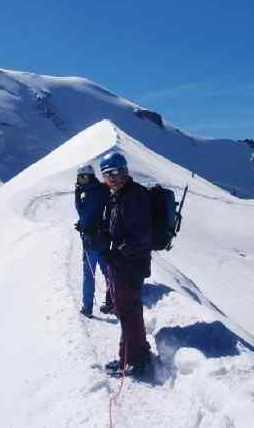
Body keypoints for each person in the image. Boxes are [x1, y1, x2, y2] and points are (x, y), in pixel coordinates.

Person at [100, 152, 153, 375]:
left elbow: (140, 236)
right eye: (106, 174)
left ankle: (130, 361)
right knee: (129, 310)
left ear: (125, 171)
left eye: (115, 172)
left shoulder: (133, 196)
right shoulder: (120, 195)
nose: (111, 178)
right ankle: (138, 351)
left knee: (127, 311)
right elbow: (121, 229)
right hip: (126, 263)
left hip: (130, 265)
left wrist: (117, 253)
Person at [74, 164, 111, 318]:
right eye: (80, 177)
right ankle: (88, 306)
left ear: (91, 176)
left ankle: (111, 302)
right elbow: (86, 213)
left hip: (99, 240)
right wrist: (82, 225)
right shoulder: (82, 192)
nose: (82, 179)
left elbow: (108, 211)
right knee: (93, 274)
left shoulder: (100, 190)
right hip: (89, 241)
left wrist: (100, 227)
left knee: (107, 273)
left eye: (84, 176)